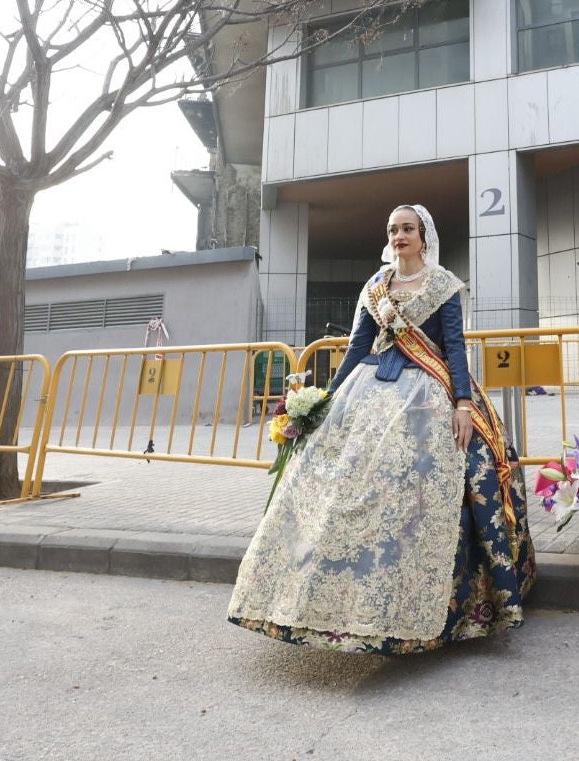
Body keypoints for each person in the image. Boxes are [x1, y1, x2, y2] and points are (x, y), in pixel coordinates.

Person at [228, 204, 535, 653]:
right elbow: (355, 349)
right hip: (369, 391)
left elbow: (454, 347)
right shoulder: (375, 287)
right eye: (393, 229)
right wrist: (325, 403)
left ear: (423, 236)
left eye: (407, 228)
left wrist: (464, 404)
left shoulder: (442, 286)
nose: (399, 235)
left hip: (429, 393)